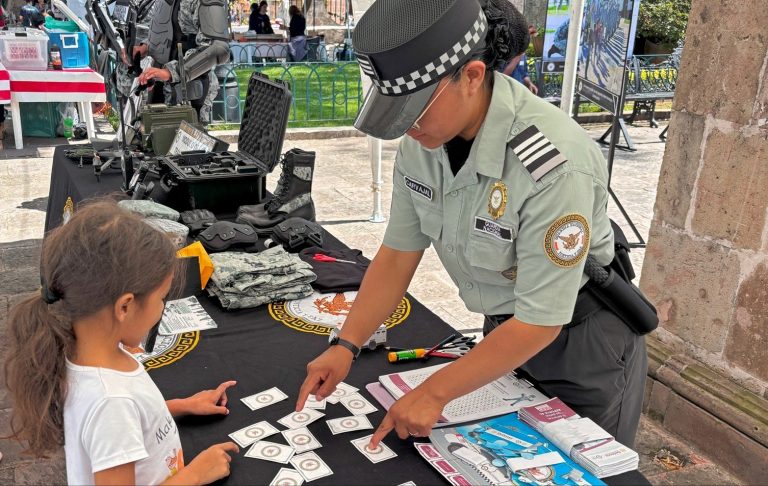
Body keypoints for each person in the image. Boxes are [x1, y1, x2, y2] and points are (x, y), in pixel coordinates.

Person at [296, 0, 647, 451]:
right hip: (502, 333)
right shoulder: (425, 141)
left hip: (581, 345)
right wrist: (346, 344)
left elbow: (542, 320)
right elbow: (398, 254)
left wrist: (435, 392)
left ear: (473, 76)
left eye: (415, 109)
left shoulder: (553, 164)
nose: (408, 128)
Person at [3, 199, 239, 485]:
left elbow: (125, 426)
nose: (162, 308)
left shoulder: (84, 352)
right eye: (161, 298)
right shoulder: (111, 402)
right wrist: (194, 474)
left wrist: (178, 406)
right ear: (124, 307)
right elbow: (115, 420)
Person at [139, 0, 230, 124]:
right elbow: (169, 31)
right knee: (155, 139)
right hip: (160, 89)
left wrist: (171, 72)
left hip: (189, 91)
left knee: (187, 139)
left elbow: (218, 48)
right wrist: (145, 47)